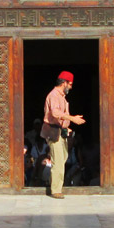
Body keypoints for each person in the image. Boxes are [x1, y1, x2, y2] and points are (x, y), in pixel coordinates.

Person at [41, 70, 85, 198]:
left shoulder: (62, 97)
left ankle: (54, 183)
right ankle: (55, 190)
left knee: (63, 157)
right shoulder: (54, 95)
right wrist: (72, 118)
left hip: (61, 131)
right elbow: (55, 113)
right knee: (58, 160)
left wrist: (67, 126)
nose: (71, 87)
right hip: (53, 131)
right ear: (64, 83)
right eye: (70, 84)